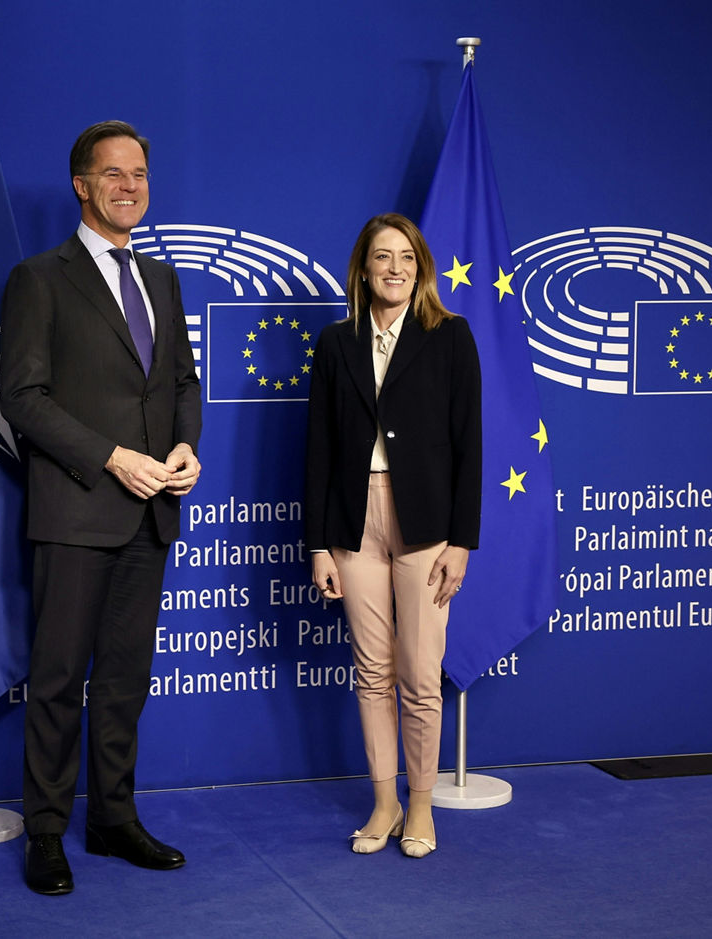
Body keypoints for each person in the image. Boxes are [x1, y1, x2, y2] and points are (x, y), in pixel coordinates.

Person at [0, 120, 203, 895]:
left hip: (152, 514)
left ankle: (113, 818)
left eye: (139, 173)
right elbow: (23, 398)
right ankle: (46, 831)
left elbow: (180, 382)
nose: (130, 186)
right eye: (113, 174)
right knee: (58, 679)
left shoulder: (162, 278)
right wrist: (112, 457)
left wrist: (185, 448)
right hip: (78, 508)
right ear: (82, 185)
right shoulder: (39, 279)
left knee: (125, 679)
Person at [304, 212, 481, 859]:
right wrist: (319, 544)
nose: (395, 268)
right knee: (372, 671)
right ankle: (385, 803)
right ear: (363, 269)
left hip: (426, 525)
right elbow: (319, 450)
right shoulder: (336, 343)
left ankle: (422, 806)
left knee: (420, 672)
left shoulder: (449, 336)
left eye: (406, 257)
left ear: (421, 268)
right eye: (383, 257)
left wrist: (461, 540)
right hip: (354, 526)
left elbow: (470, 443)